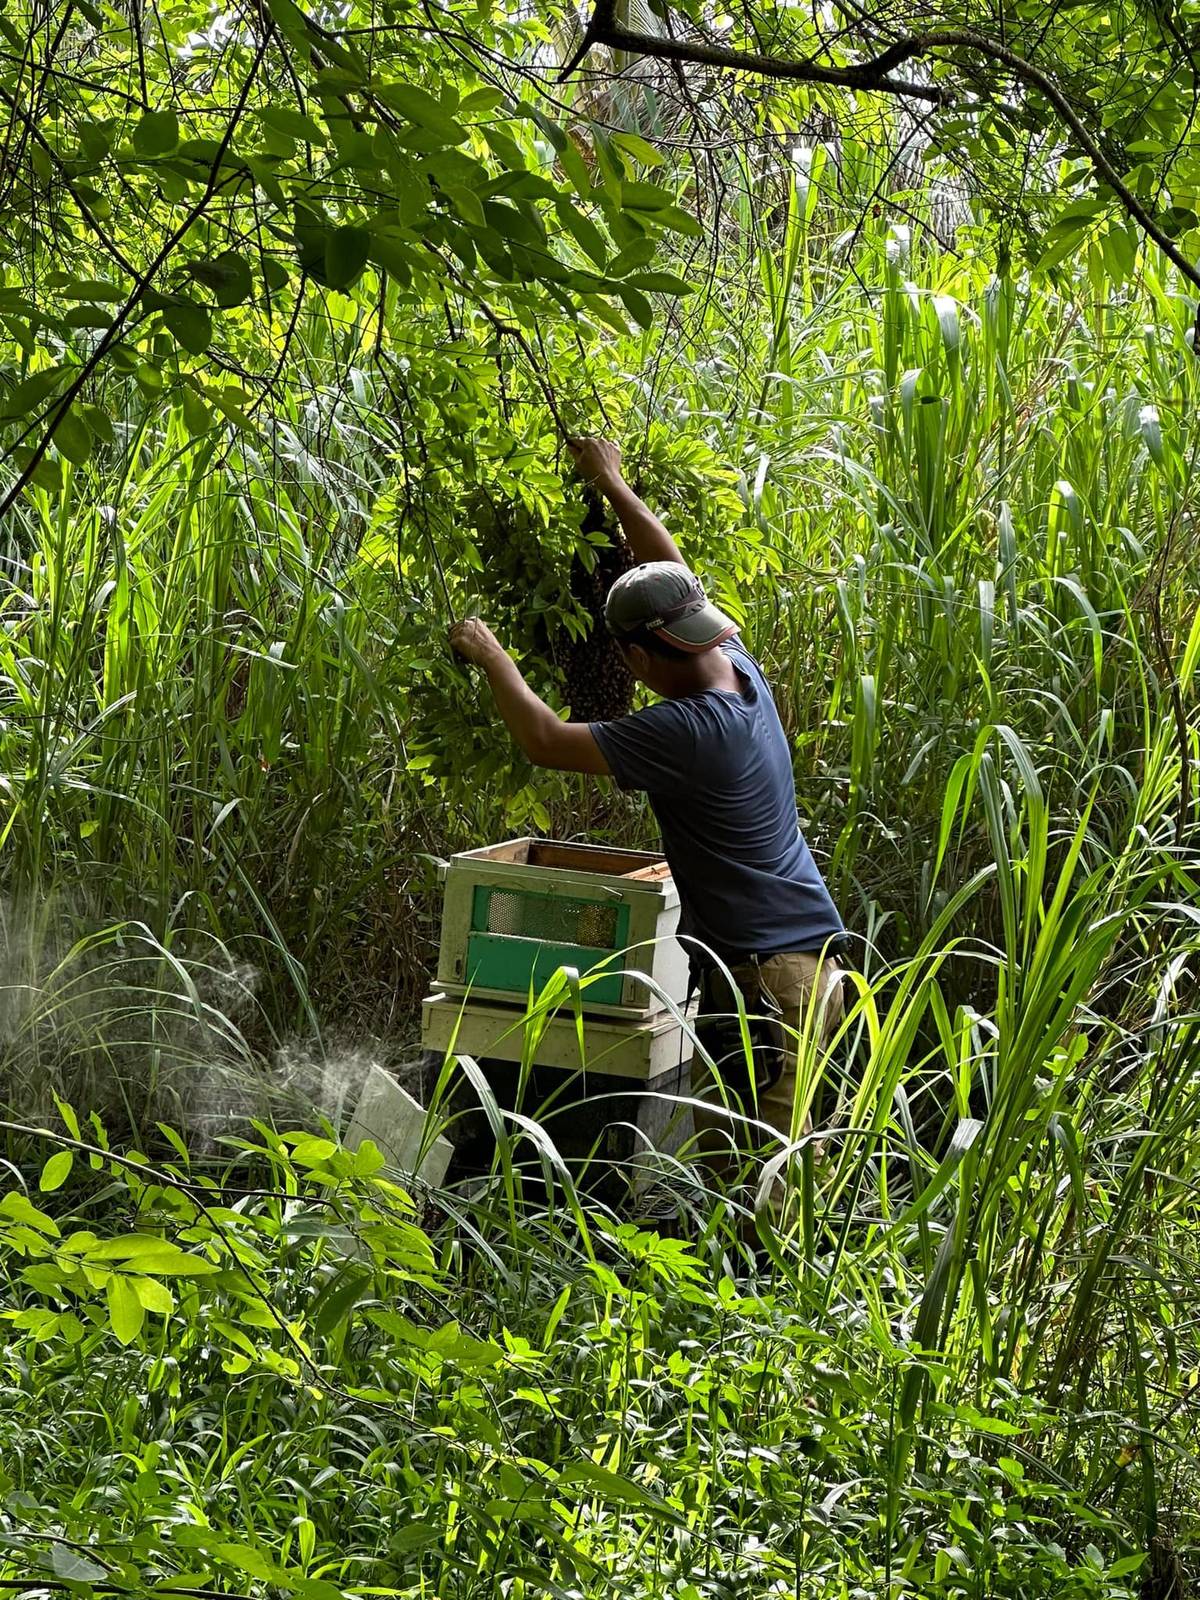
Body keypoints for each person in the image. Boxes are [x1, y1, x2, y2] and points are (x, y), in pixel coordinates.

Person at [449, 436, 847, 1160]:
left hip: (765, 983)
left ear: (636, 657)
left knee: (752, 1180)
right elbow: (670, 571)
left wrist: (490, 653)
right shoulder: (735, 671)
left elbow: (543, 738)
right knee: (786, 1172)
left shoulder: (689, 731)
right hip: (802, 969)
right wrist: (612, 483)